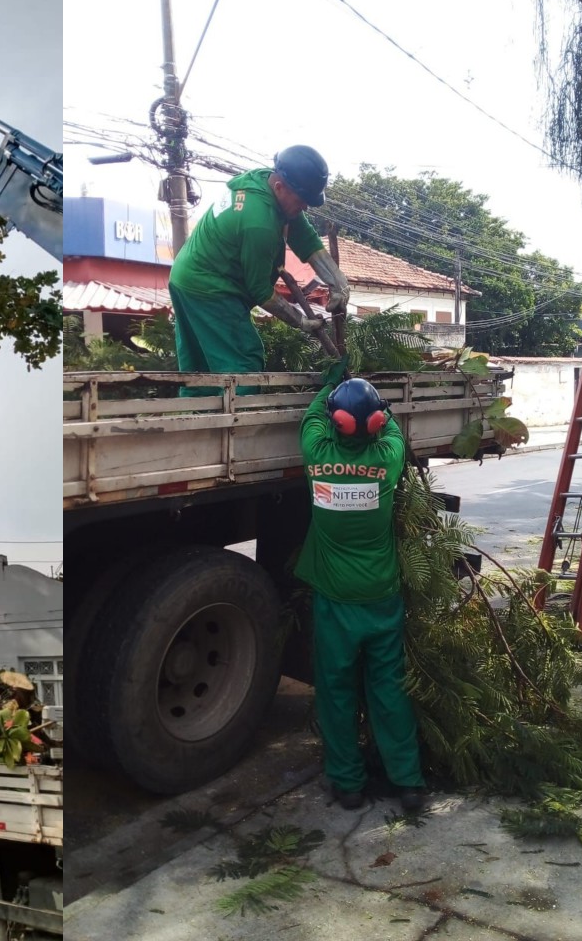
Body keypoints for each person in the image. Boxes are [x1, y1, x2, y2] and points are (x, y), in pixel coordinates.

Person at [295, 361, 425, 812]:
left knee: (336, 690)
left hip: (335, 603)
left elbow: (313, 415)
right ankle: (408, 782)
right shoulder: (388, 458)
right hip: (382, 598)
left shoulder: (315, 454)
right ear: (370, 424)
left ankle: (348, 784)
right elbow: (389, 425)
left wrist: (331, 378)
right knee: (388, 689)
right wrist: (378, 406)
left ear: (338, 424)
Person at [167, 144, 352, 392]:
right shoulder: (259, 223)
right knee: (242, 361)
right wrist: (300, 321)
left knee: (200, 366)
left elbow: (304, 237)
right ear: (280, 187)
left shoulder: (266, 183)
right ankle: (240, 423)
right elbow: (260, 290)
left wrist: (337, 281)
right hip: (209, 287)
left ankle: (194, 424)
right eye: (302, 200)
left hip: (186, 277)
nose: (305, 207)